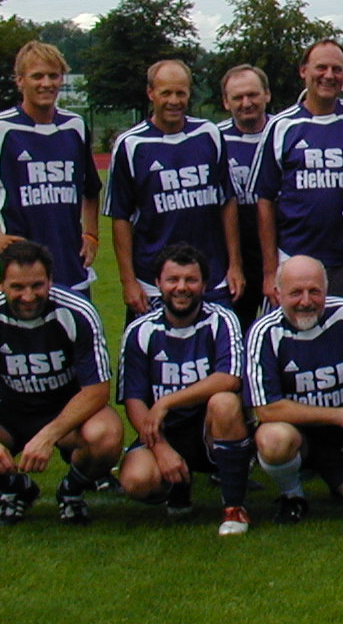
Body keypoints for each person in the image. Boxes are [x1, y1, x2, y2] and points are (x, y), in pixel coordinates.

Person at [116, 243, 254, 535]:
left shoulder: (222, 320)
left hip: (209, 429)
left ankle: (233, 507)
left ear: (204, 285)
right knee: (136, 480)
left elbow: (230, 378)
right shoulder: (140, 331)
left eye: (191, 280)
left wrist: (166, 402)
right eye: (173, 280)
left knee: (225, 402)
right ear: (158, 283)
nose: (181, 288)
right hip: (165, 431)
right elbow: (133, 400)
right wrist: (161, 448)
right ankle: (179, 488)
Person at [244, 254, 343, 523]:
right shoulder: (264, 332)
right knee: (274, 439)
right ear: (278, 293)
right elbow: (267, 409)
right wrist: (336, 415)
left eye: (314, 291)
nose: (306, 301)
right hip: (295, 437)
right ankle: (292, 495)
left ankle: (340, 482)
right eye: (296, 293)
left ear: (326, 290)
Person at [104, 59, 243, 321]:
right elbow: (121, 217)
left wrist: (235, 265)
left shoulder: (209, 134)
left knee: (220, 345)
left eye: (181, 93)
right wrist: (128, 281)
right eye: (166, 93)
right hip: (153, 283)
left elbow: (227, 201)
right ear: (151, 93)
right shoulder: (131, 144)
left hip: (212, 278)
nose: (174, 101)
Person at [253, 38, 343, 302]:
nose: (329, 75)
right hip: (294, 261)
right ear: (304, 71)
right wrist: (269, 271)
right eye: (321, 67)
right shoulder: (281, 126)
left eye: (337, 69)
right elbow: (265, 201)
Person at [0, 240, 118, 524]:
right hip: (9, 413)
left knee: (107, 435)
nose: (28, 296)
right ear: (2, 285)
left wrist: (47, 436)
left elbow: (97, 390)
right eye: (17, 287)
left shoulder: (77, 311)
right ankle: (16, 487)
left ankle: (72, 490)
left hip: (66, 411)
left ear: (50, 280)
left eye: (37, 285)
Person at [0, 40, 102, 293]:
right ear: (20, 80)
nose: (46, 83)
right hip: (18, 272)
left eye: (53, 76)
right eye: (37, 76)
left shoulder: (74, 126)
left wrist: (91, 234)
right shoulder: (4, 128)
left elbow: (91, 189)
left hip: (70, 266)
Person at [218, 64, 271, 326]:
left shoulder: (285, 132)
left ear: (267, 95)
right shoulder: (214, 139)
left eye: (253, 94)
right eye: (238, 97)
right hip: (233, 259)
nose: (246, 103)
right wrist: (233, 264)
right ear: (226, 102)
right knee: (236, 331)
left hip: (280, 254)